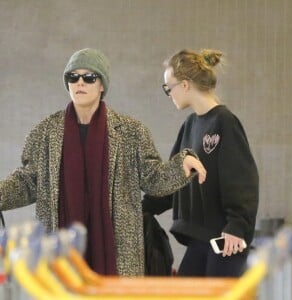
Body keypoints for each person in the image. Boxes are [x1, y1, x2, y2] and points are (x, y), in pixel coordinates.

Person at [0, 48, 207, 276]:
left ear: (102, 86)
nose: (80, 83)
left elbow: (153, 178)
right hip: (60, 251)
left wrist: (181, 166)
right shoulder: (45, 133)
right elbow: (27, 182)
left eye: (89, 77)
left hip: (116, 253)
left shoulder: (130, 132)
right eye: (73, 77)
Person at [143, 49, 259, 277]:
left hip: (225, 241)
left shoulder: (224, 122)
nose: (169, 94)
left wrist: (237, 225)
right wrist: (140, 209)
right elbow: (172, 182)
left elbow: (242, 179)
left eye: (169, 87)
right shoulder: (189, 126)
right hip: (198, 240)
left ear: (185, 85)